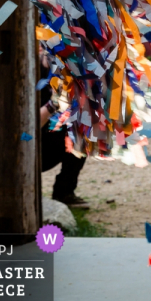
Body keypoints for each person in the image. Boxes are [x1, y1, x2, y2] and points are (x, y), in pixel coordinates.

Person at [39, 51, 88, 209]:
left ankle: (64, 193)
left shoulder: (70, 73)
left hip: (49, 146)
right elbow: (27, 127)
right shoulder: (27, 73)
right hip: (23, 147)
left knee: (82, 132)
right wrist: (54, 104)